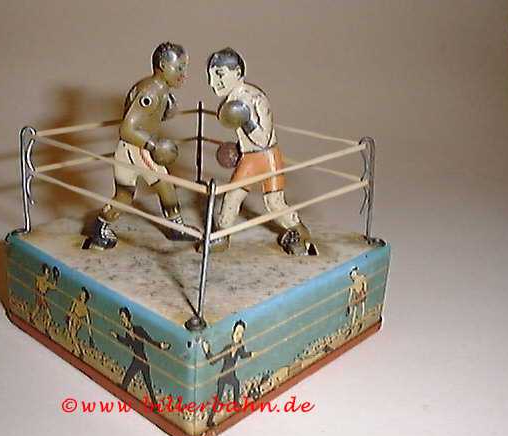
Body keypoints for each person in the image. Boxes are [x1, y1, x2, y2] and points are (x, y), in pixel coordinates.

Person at [205, 47, 318, 256]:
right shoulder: (231, 99)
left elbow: (264, 139)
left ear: (237, 73)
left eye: (219, 74)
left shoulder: (256, 98)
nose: (213, 82)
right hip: (249, 158)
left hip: (267, 157)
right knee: (231, 198)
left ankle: (301, 233)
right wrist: (238, 148)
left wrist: (246, 120)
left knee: (274, 203)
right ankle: (222, 237)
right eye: (210, 76)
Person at [86, 42, 197, 249]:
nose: (184, 74)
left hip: (129, 149)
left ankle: (99, 228)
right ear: (163, 65)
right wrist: (153, 145)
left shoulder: (157, 88)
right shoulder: (151, 92)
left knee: (125, 196)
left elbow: (147, 119)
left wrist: (166, 112)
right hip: (137, 149)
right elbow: (127, 129)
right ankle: (176, 228)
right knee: (164, 186)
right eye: (179, 67)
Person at [110, 307, 170, 405]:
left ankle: (154, 405)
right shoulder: (127, 333)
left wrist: (160, 345)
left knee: (147, 384)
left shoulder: (139, 329)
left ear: (128, 317)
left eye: (123, 317)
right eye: (121, 318)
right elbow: (127, 343)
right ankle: (122, 398)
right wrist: (117, 336)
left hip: (142, 360)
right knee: (129, 380)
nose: (122, 320)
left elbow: (149, 340)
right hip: (138, 359)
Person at [201, 319, 254, 427]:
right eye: (237, 332)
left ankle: (236, 405)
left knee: (236, 384)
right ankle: (210, 420)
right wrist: (207, 352)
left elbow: (243, 355)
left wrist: (250, 354)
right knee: (219, 398)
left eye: (241, 333)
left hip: (231, 374)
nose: (239, 335)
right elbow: (214, 361)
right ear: (233, 332)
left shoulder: (239, 347)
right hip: (224, 375)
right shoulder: (227, 348)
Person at [30, 264, 59, 332]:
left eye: (48, 272)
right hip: (40, 297)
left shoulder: (46, 282)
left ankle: (32, 318)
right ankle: (46, 328)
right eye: (47, 272)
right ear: (44, 272)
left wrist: (55, 278)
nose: (48, 274)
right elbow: (37, 286)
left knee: (37, 309)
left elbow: (54, 287)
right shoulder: (40, 279)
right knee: (49, 315)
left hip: (40, 296)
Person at [66, 287, 94, 357]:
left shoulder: (85, 309)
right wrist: (68, 317)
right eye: (81, 294)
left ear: (85, 298)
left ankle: (79, 351)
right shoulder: (77, 301)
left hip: (77, 321)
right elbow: (71, 310)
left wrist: (90, 335)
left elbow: (88, 323)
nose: (81, 295)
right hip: (73, 319)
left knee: (73, 335)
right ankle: (76, 350)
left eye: (83, 295)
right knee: (72, 335)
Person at [347, 267, 368, 331]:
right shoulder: (354, 284)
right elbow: (350, 295)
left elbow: (364, 283)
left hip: (360, 294)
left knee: (360, 309)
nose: (352, 278)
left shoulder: (360, 278)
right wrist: (349, 304)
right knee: (357, 309)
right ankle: (354, 325)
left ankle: (359, 323)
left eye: (352, 276)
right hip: (359, 295)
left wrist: (365, 291)